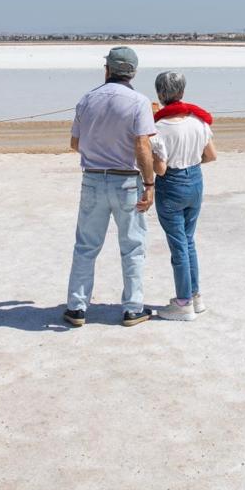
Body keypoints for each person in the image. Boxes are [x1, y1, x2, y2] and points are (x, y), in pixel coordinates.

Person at [64, 46, 156, 328]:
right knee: (132, 247)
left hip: (92, 178)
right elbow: (142, 145)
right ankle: (132, 308)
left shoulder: (87, 99)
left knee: (86, 246)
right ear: (133, 72)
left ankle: (77, 308)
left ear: (107, 70)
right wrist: (150, 182)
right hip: (126, 181)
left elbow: (75, 144)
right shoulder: (139, 102)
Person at [151, 71, 217, 321]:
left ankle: (183, 301)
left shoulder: (158, 127)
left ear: (160, 94)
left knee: (178, 244)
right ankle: (195, 294)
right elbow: (211, 155)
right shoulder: (199, 121)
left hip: (172, 184)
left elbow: (160, 168)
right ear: (182, 92)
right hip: (195, 179)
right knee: (188, 240)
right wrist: (191, 162)